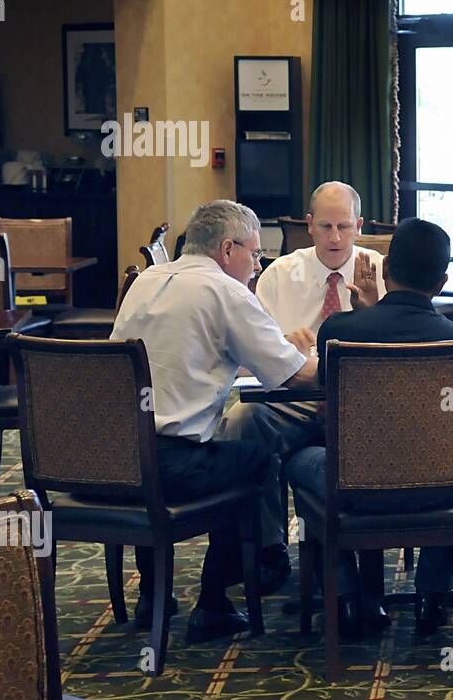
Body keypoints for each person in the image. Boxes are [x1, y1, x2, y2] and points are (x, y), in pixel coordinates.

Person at [110, 200, 319, 641]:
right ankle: (212, 603)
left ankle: (154, 594)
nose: (258, 266)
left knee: (201, 446)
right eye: (256, 254)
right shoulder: (225, 291)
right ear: (228, 249)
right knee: (256, 459)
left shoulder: (145, 280)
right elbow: (295, 375)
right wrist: (335, 353)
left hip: (111, 459)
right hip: (172, 466)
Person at [283, 218, 453, 637]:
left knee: (301, 460)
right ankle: (432, 594)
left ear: (385, 269)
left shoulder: (340, 332)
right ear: (442, 282)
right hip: (439, 489)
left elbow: (326, 409)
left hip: (353, 488)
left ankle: (345, 595)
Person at [216, 181, 386, 492]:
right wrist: (281, 346)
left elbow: (398, 350)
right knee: (243, 419)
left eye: (344, 227)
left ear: (358, 226)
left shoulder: (379, 269)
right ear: (309, 225)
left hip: (361, 398)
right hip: (293, 398)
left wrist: (373, 313)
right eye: (325, 226)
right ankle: (262, 539)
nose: (334, 237)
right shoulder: (279, 274)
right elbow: (243, 357)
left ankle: (367, 528)